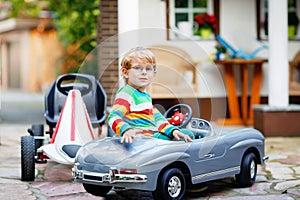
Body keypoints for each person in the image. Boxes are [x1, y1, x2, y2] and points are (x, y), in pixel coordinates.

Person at [108, 47, 193, 144]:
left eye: (148, 69)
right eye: (137, 68)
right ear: (125, 72)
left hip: (152, 137)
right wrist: (126, 130)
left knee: (183, 134)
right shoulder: (127, 92)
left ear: (153, 74)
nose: (144, 72)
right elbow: (113, 117)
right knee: (189, 135)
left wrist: (173, 131)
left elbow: (158, 119)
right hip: (141, 140)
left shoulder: (145, 96)